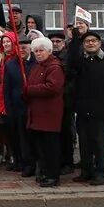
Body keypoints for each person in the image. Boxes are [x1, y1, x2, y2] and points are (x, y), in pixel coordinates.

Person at [70, 31, 104, 186]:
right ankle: (86, 171)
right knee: (85, 143)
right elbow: (72, 80)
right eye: (87, 41)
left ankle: (100, 172)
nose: (90, 43)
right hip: (83, 109)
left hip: (101, 110)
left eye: (93, 41)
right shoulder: (80, 62)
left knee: (100, 144)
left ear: (99, 43)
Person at [26, 36, 66, 188]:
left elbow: (52, 87)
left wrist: (30, 90)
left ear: (49, 51)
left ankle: (52, 175)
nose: (38, 53)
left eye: (41, 51)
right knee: (41, 147)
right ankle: (44, 171)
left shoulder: (54, 67)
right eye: (35, 51)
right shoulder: (38, 66)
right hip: (37, 113)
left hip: (49, 113)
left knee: (51, 147)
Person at [2, 34, 33, 176]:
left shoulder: (36, 63)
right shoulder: (10, 64)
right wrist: (8, 108)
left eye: (25, 47)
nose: (21, 49)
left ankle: (29, 164)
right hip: (15, 107)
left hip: (32, 107)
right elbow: (6, 88)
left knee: (28, 139)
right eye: (19, 47)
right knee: (16, 136)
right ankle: (18, 161)